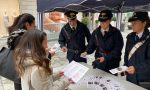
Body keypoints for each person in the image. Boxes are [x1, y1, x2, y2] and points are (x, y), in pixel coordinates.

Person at [7, 13, 35, 90]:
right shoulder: (23, 38)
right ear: (27, 24)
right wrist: (47, 55)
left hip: (16, 70)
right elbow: (28, 58)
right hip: (23, 73)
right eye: (33, 25)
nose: (34, 28)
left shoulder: (14, 34)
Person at [124, 11, 150, 88]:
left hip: (142, 78)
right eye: (132, 22)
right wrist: (125, 66)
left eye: (135, 22)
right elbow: (127, 54)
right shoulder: (130, 37)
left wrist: (136, 68)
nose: (132, 24)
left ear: (144, 23)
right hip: (130, 76)